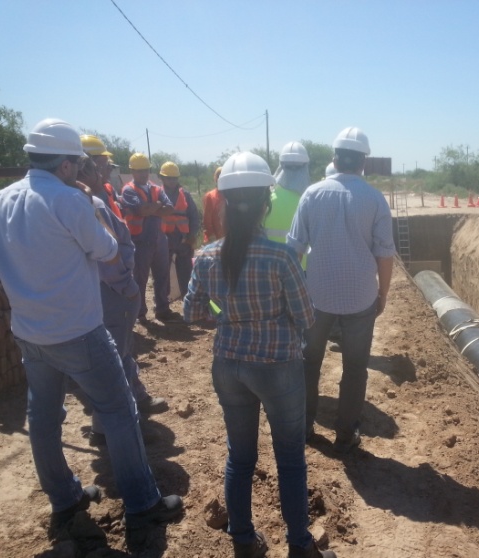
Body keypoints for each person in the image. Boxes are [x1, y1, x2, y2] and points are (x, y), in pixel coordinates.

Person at [0, 118, 182, 536]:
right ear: (69, 166)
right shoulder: (70, 201)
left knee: (44, 418)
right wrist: (94, 209)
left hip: (29, 333)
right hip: (79, 331)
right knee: (120, 410)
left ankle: (64, 496)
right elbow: (108, 251)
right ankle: (143, 502)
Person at [184, 152, 335, 558]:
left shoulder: (207, 257)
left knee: (240, 457)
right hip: (278, 367)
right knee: (290, 458)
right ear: (266, 203)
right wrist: (270, 317)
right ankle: (300, 545)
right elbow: (305, 317)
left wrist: (226, 313)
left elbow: (193, 312)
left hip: (228, 366)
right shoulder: (282, 255)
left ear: (226, 203)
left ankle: (243, 540)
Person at [287, 127, 396, 453]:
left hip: (316, 297)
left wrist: (294, 294)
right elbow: (385, 254)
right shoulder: (375, 199)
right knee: (355, 368)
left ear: (335, 158)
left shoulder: (312, 195)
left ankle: (305, 429)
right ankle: (346, 434)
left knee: (308, 363)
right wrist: (383, 294)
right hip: (361, 297)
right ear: (363, 162)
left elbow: (294, 251)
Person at [76, 158, 168, 447]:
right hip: (110, 289)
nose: (105, 169)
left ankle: (136, 400)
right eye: (98, 164)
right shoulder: (86, 203)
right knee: (112, 359)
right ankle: (114, 427)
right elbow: (108, 251)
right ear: (78, 168)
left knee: (121, 353)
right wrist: (127, 287)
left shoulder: (101, 193)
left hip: (107, 288)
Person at [120, 153, 177, 322]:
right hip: (140, 240)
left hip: (159, 238)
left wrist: (149, 208)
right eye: (139, 171)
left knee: (162, 276)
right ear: (132, 171)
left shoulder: (156, 188)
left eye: (145, 170)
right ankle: (140, 313)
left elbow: (169, 208)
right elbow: (141, 210)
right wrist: (157, 206)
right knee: (140, 278)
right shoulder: (128, 190)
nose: (143, 174)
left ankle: (162, 309)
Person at [159, 162, 200, 299]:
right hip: (165, 239)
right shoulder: (157, 194)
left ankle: (188, 300)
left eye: (174, 178)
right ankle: (163, 303)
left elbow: (194, 216)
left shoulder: (185, 195)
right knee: (163, 273)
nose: (172, 181)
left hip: (183, 239)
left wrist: (191, 236)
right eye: (169, 178)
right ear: (162, 178)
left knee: (186, 273)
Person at [264, 142, 311, 259]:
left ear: (281, 165)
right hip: (301, 269)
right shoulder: (312, 201)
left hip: (270, 267)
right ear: (305, 166)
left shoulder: (267, 199)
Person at [81, 134, 123, 219]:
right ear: (90, 165)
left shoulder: (105, 190)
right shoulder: (80, 200)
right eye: (106, 164)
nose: (110, 169)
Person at [202, 165, 225, 244]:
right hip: (215, 238)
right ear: (216, 178)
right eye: (219, 176)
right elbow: (207, 219)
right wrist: (211, 236)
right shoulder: (211, 196)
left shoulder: (232, 195)